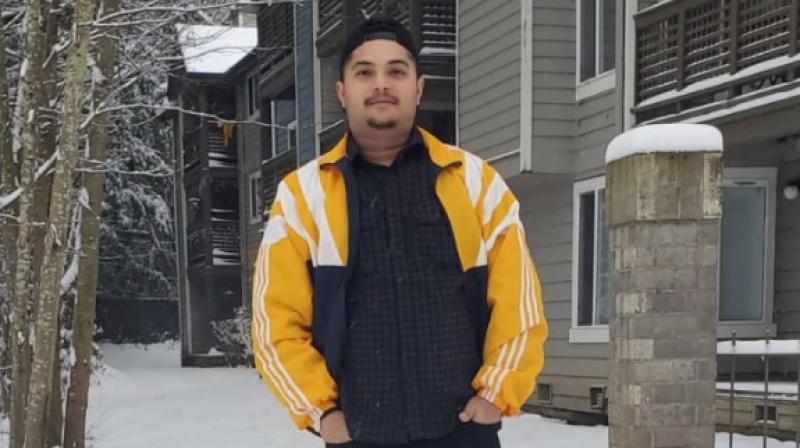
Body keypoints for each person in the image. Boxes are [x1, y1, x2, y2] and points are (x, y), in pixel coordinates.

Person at [252, 16, 548, 448]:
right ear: (342, 92)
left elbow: (519, 305)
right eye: (364, 72)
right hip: (358, 435)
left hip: (461, 432)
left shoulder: (474, 183)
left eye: (396, 71)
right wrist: (322, 412)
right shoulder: (303, 196)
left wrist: (495, 394)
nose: (381, 84)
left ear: (418, 88)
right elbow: (275, 324)